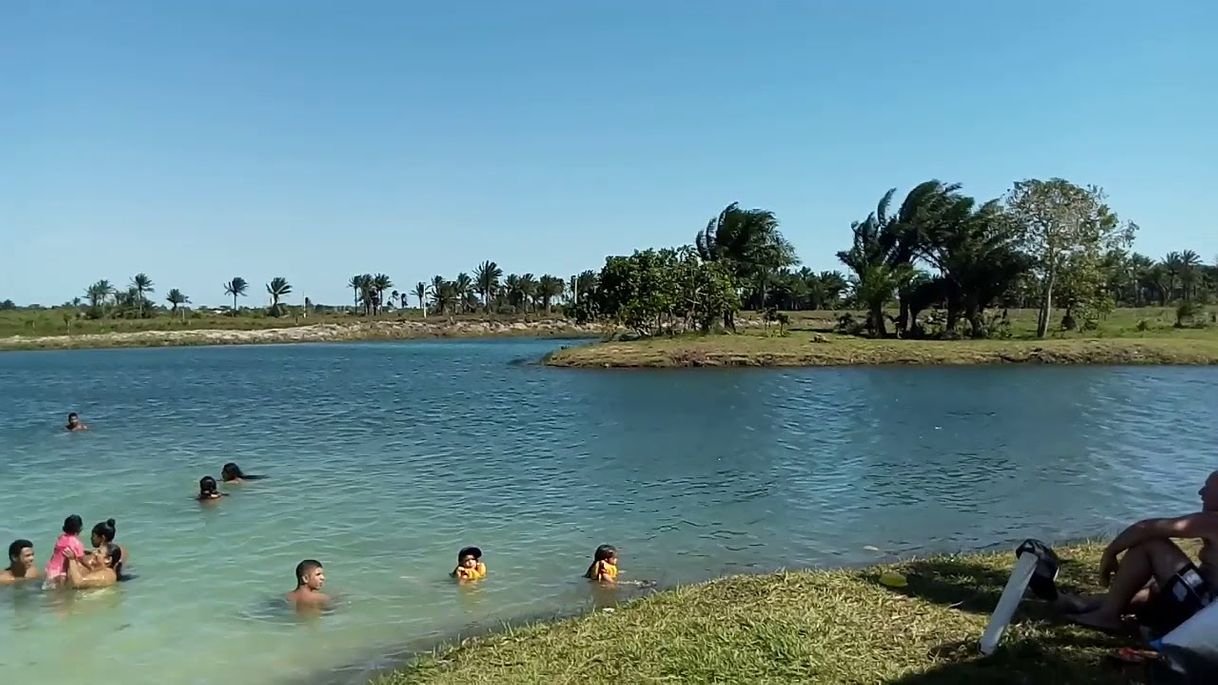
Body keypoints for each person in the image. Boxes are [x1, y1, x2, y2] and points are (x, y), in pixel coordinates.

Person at [1063, 470, 1218, 632]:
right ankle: (1085, 604)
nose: (1201, 492)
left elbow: (1145, 528)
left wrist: (1110, 553)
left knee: (1151, 543)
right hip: (1209, 611)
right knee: (1156, 588)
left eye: (1208, 488)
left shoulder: (1213, 521)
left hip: (1205, 614)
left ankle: (1107, 616)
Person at [43, 515, 86, 587]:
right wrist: (90, 568)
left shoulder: (60, 538)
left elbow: (63, 549)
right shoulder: (77, 543)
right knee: (61, 595)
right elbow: (82, 560)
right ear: (80, 528)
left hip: (49, 570)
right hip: (61, 574)